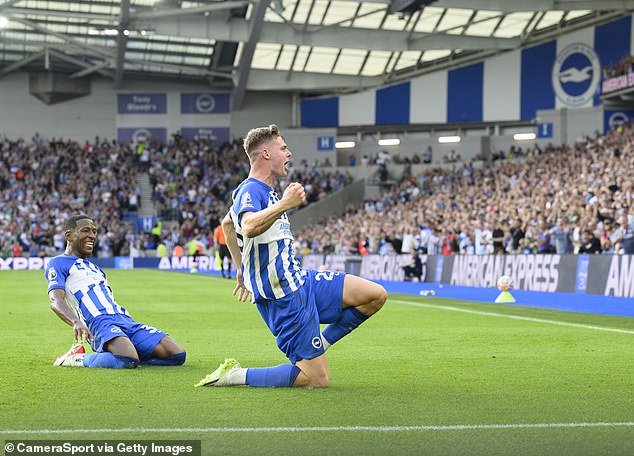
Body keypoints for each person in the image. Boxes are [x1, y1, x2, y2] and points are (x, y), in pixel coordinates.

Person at [195, 124, 387, 389]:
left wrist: (242, 268)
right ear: (265, 153)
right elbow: (248, 226)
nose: (289, 153)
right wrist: (285, 204)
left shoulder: (267, 192)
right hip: (283, 297)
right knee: (316, 380)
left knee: (375, 295)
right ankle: (234, 375)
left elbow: (228, 225)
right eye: (283, 148)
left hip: (301, 281)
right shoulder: (251, 190)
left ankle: (317, 344)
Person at [46, 214, 186, 369]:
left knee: (176, 355)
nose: (92, 236)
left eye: (94, 231)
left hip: (125, 319)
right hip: (98, 322)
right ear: (69, 235)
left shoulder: (96, 269)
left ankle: (128, 354)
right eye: (86, 231)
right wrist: (75, 321)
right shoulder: (58, 263)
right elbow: (55, 300)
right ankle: (77, 358)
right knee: (127, 359)